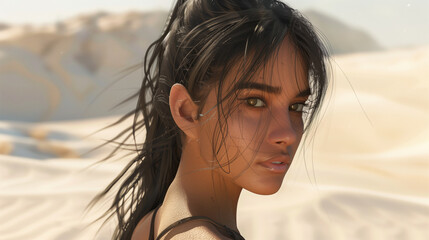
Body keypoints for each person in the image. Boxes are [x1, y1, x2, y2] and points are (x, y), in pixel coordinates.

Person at [92, 0, 329, 239]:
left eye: (296, 106)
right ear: (186, 111)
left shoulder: (150, 223)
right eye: (254, 102)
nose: (287, 134)